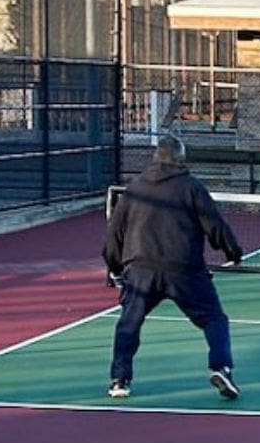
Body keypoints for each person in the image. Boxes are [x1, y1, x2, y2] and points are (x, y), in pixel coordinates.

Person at [102, 135, 243, 400]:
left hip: (141, 270)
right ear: (181, 159)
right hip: (185, 270)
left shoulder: (134, 188)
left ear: (156, 157)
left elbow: (114, 235)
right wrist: (232, 252)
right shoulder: (191, 188)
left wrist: (114, 267)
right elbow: (215, 225)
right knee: (214, 319)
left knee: (128, 324)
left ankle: (119, 379)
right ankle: (221, 367)